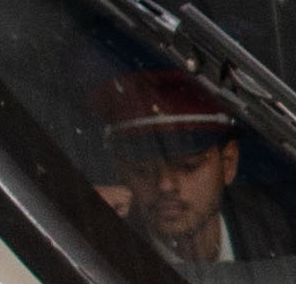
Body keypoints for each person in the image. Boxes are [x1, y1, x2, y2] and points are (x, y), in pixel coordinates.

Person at [80, 58, 251, 268]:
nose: (165, 185)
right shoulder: (101, 254)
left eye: (187, 167)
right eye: (142, 171)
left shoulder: (283, 236)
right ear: (120, 173)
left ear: (228, 163)